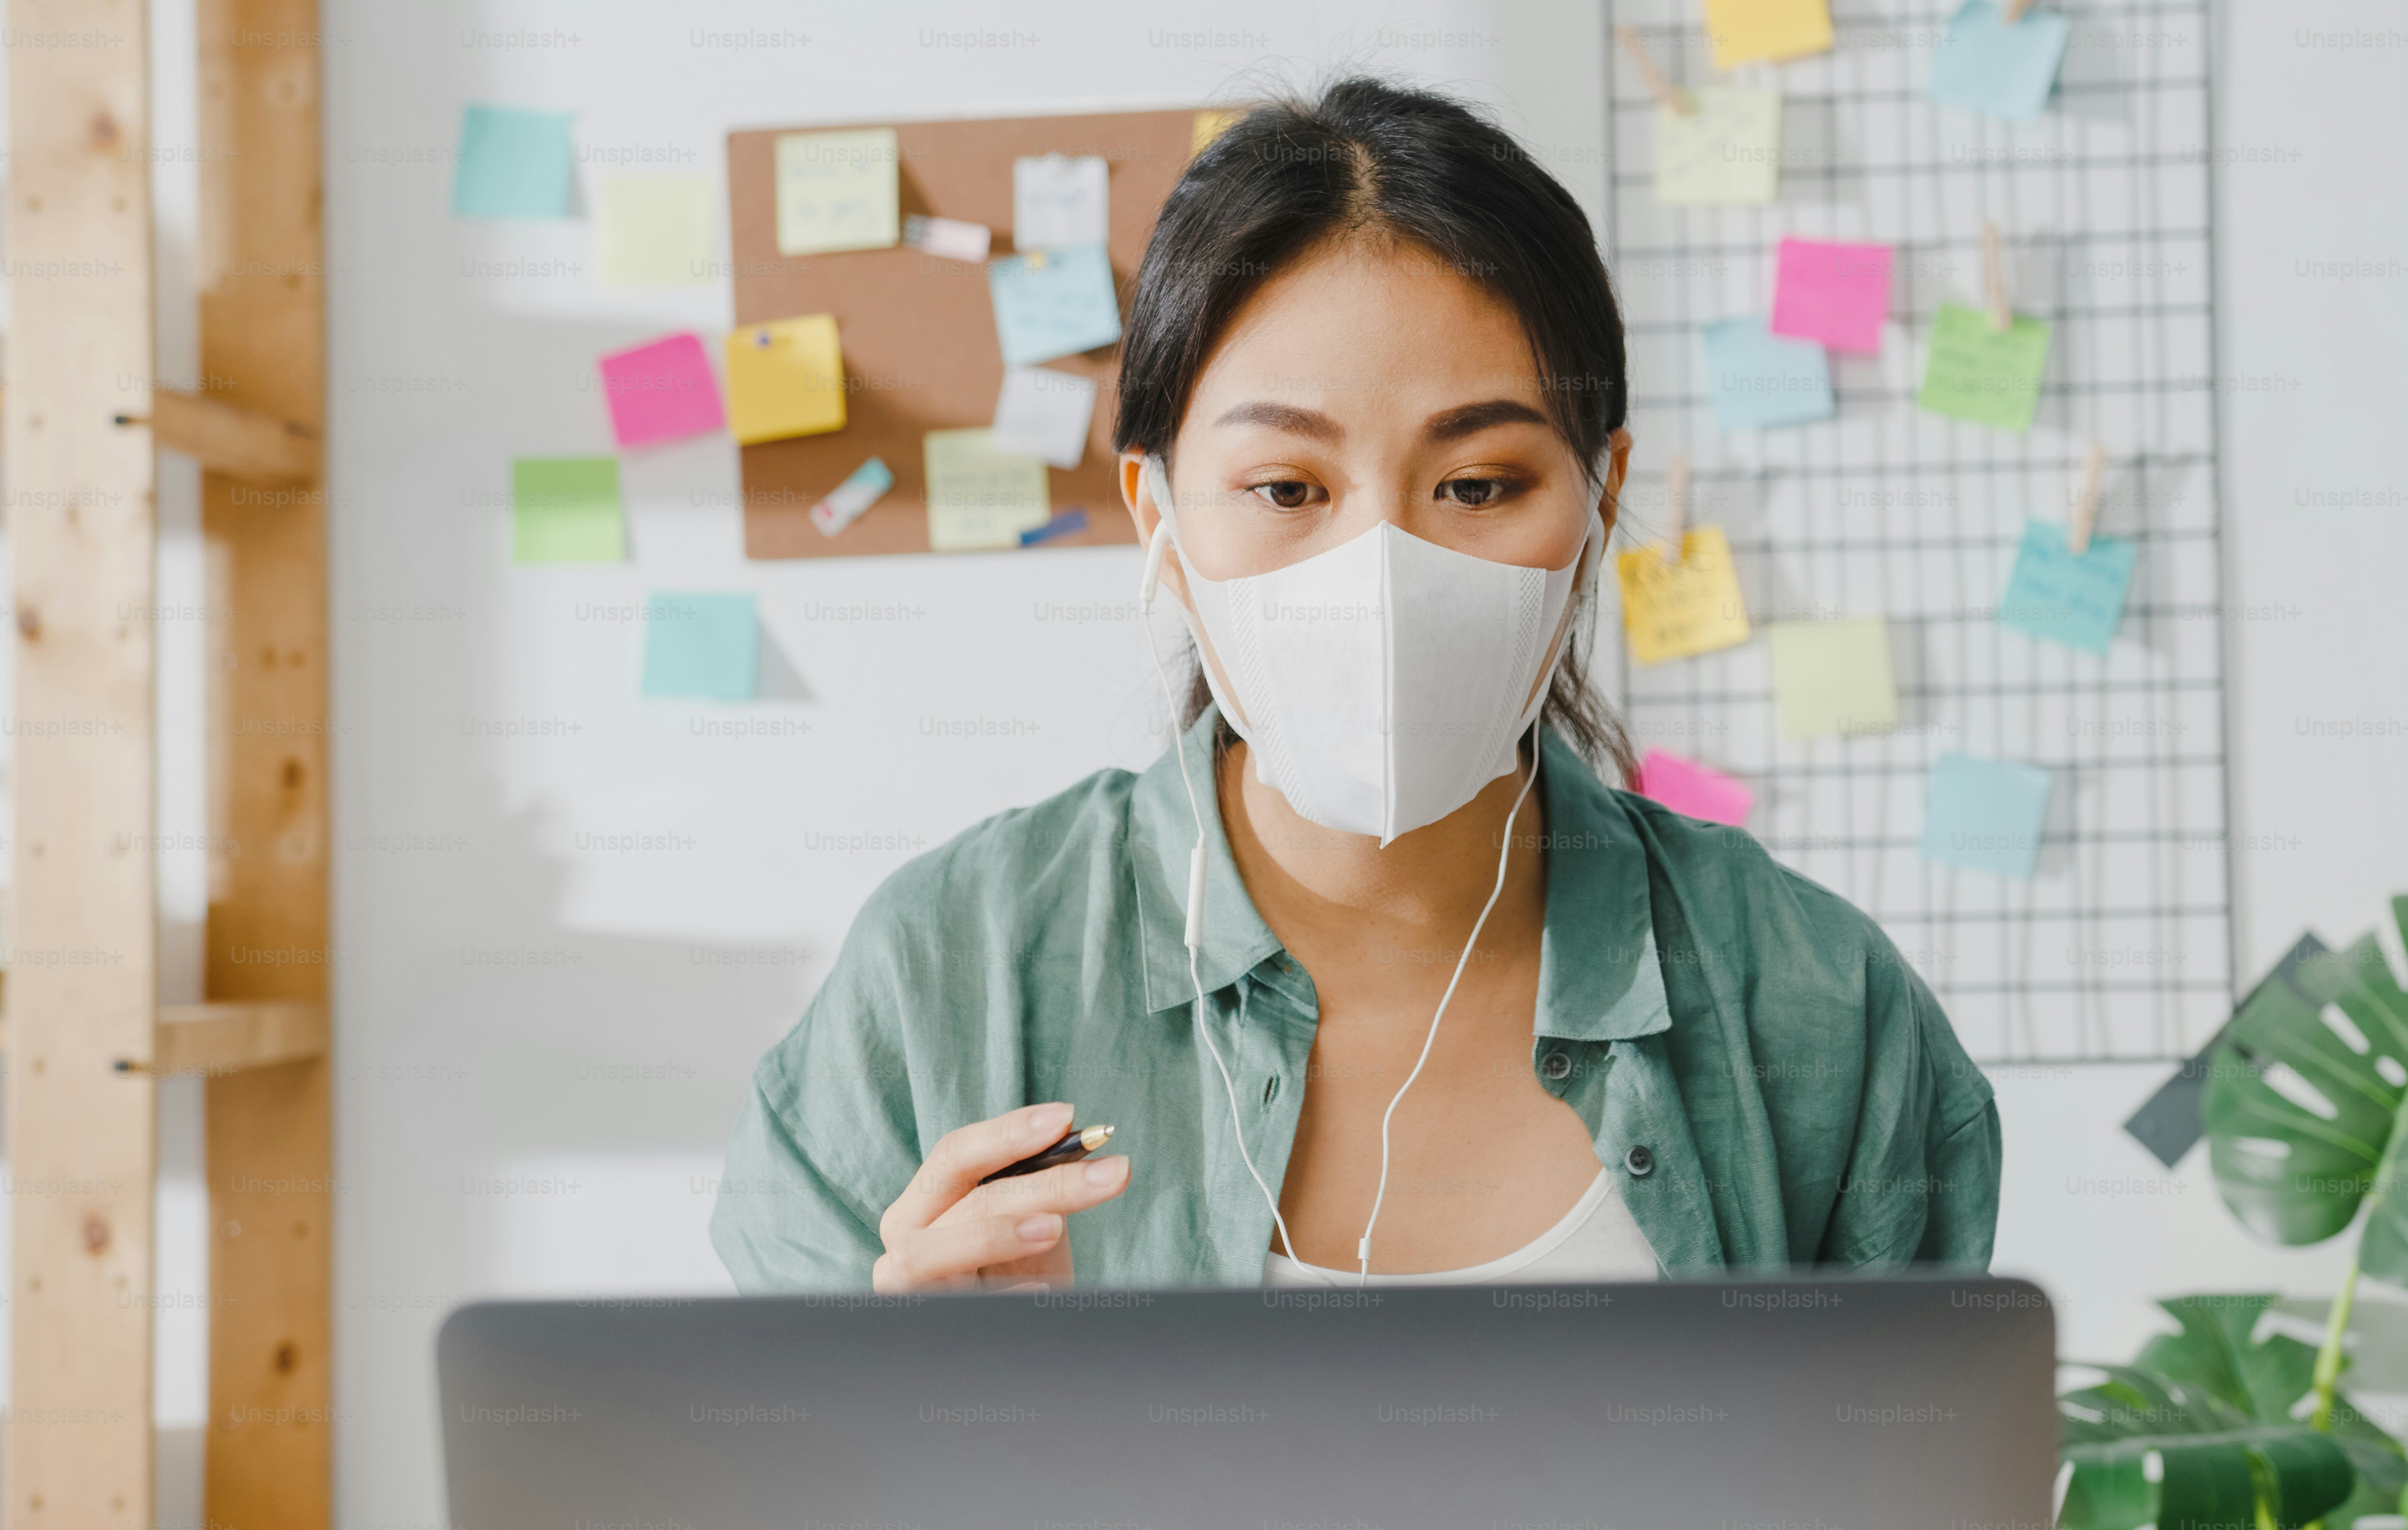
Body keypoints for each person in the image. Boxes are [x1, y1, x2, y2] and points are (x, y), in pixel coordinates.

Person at [711, 77, 1998, 1293]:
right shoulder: (946, 976)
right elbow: (768, 1434)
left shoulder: (1818, 1003)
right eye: (1286, 488)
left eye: (1478, 485)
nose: (1383, 570)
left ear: (1602, 499)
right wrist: (931, 1402)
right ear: (1159, 517)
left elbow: (1920, 1440)